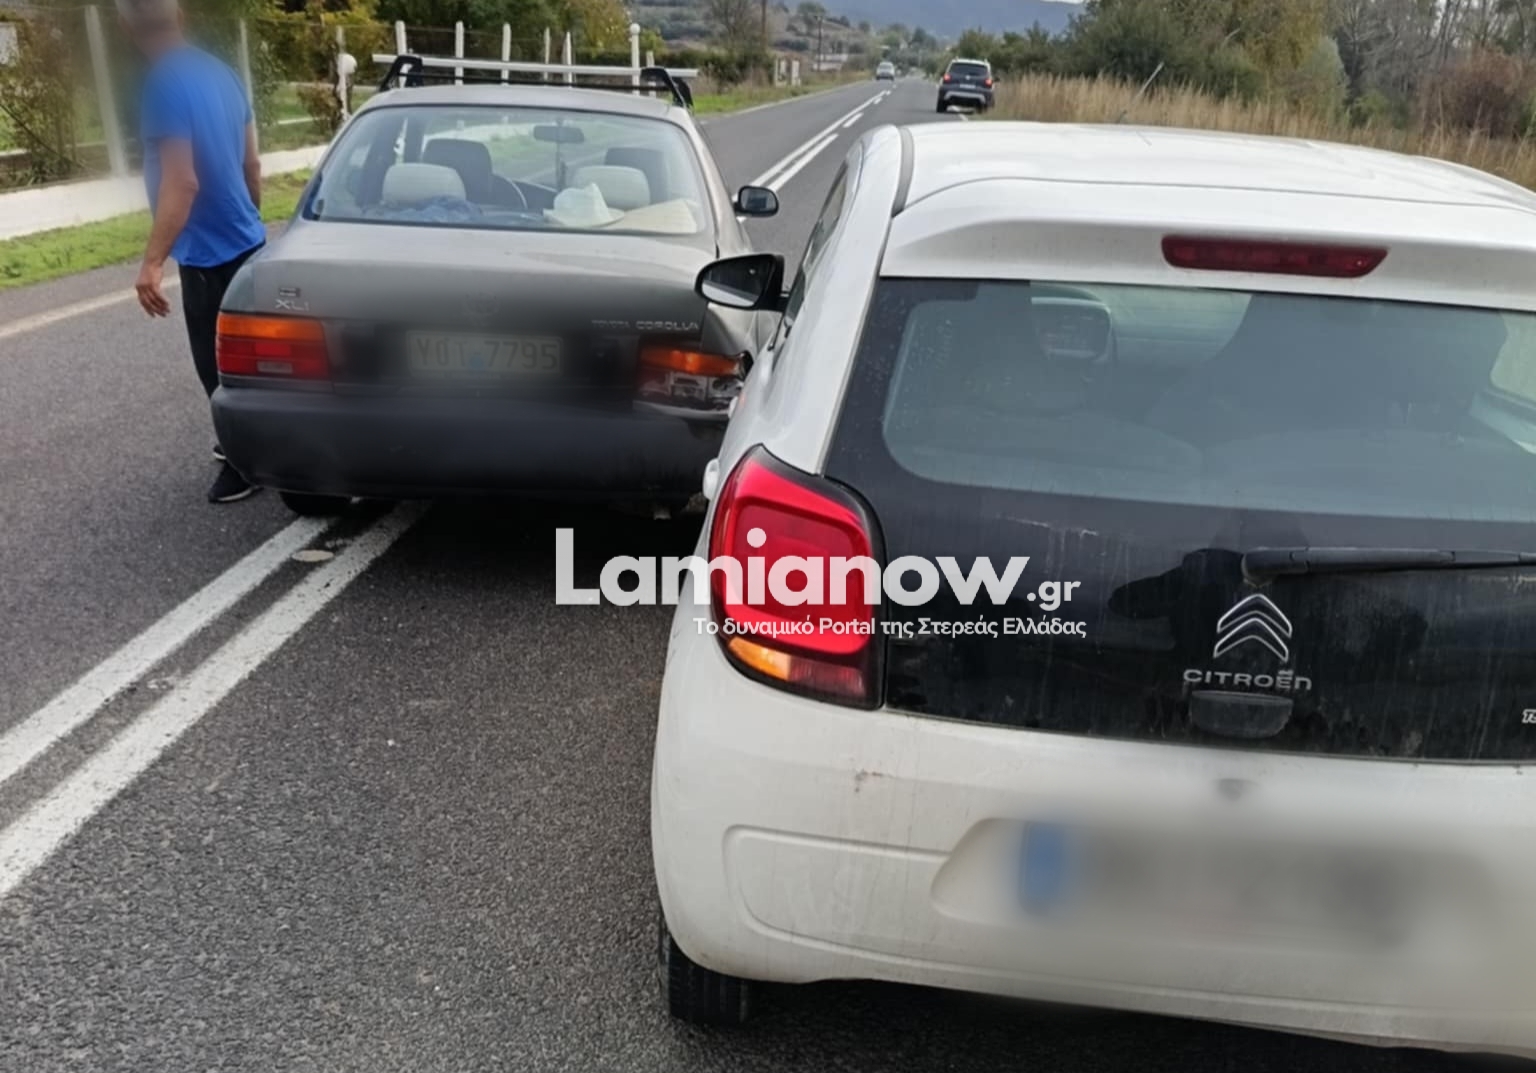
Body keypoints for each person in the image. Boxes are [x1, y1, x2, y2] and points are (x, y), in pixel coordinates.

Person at [120, 0, 267, 503]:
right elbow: (252, 165)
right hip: (246, 240)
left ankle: (246, 464)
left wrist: (151, 262)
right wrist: (249, 220)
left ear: (125, 27)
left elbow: (181, 181)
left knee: (217, 367)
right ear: (179, 16)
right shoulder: (222, 72)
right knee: (254, 358)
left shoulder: (162, 83)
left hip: (207, 253)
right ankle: (257, 444)